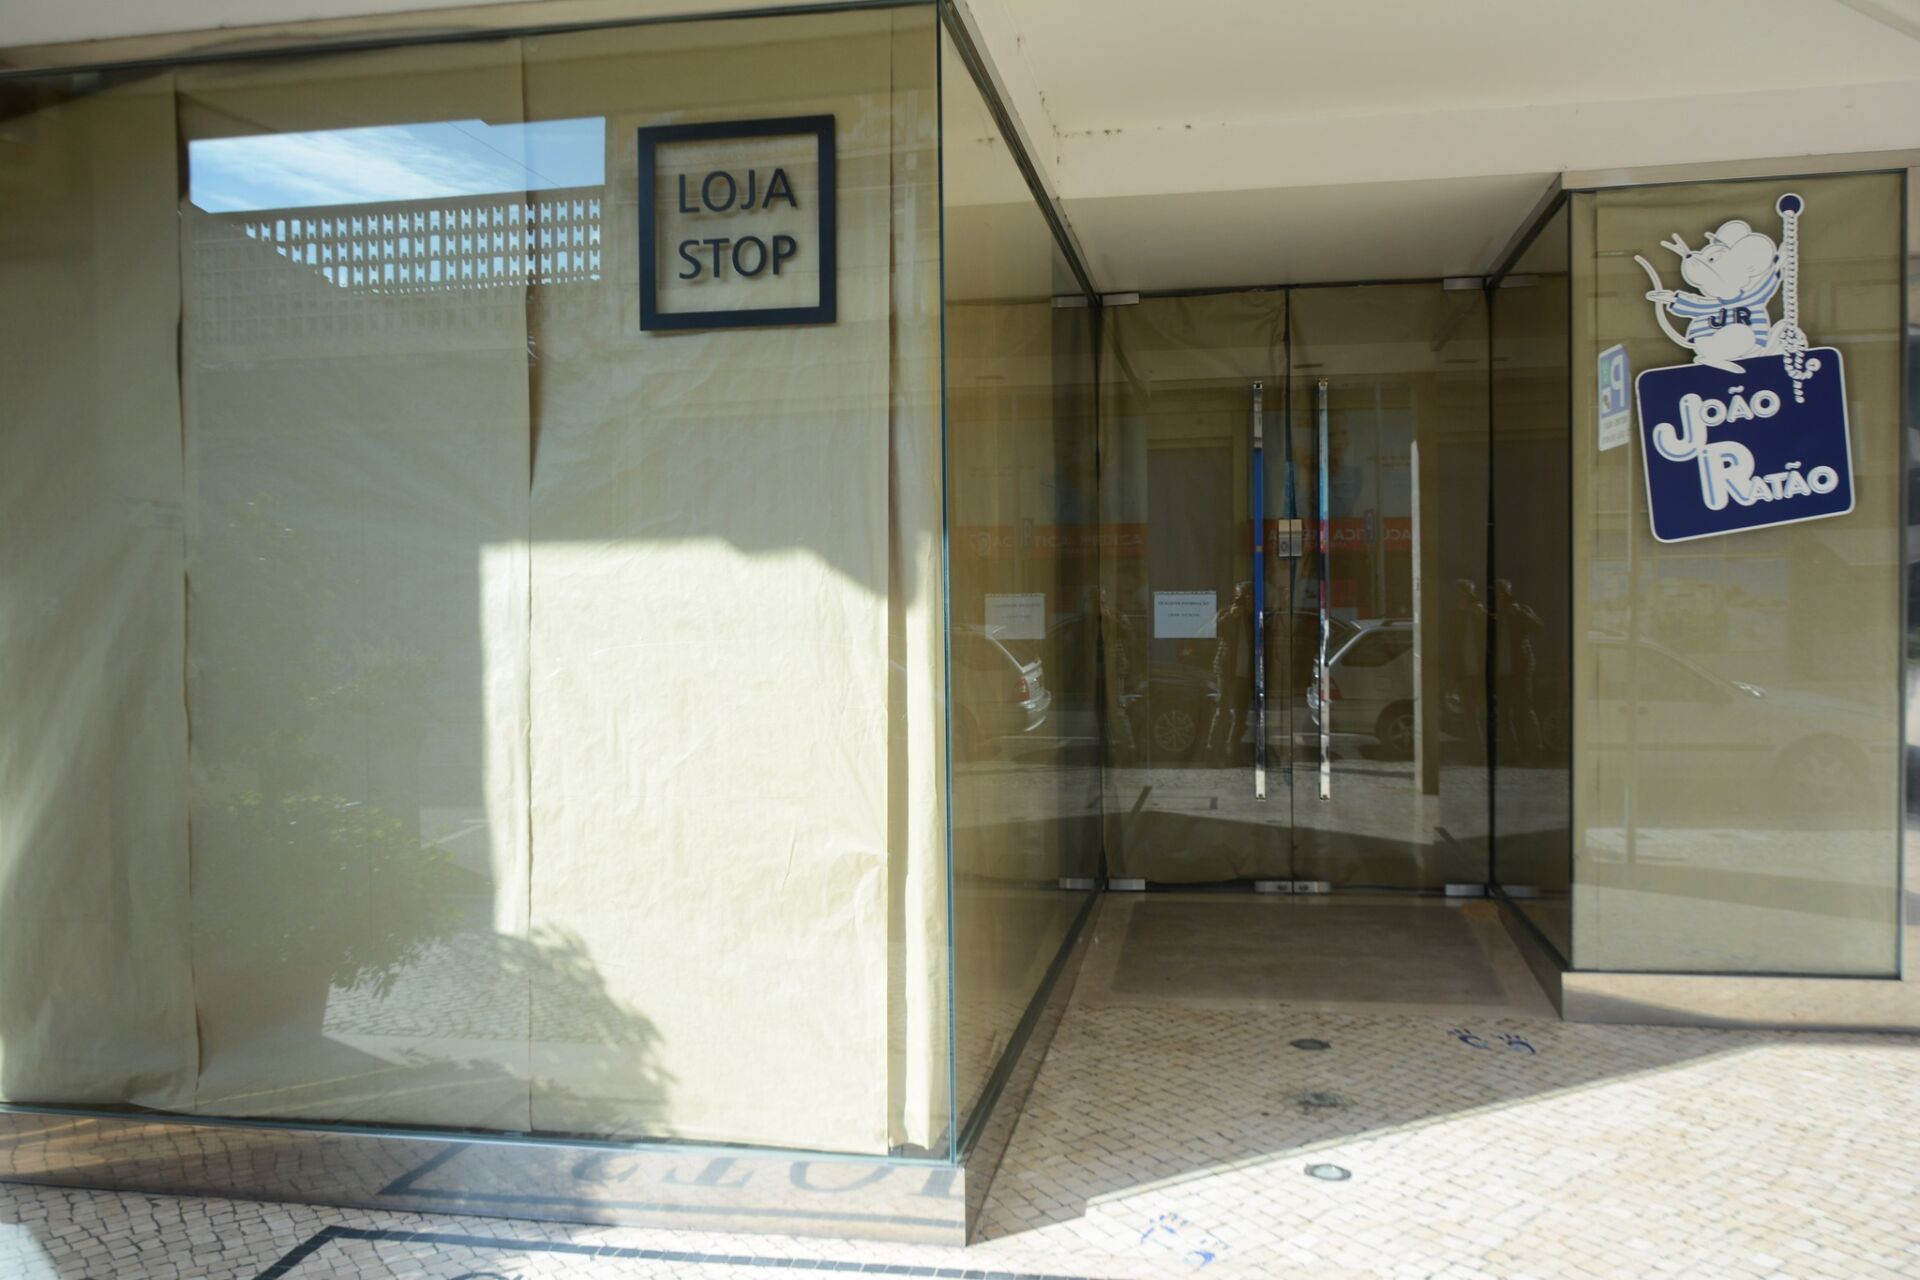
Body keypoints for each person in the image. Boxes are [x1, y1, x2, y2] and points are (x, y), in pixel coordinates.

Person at [1205, 582, 1255, 760]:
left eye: (1248, 596)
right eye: (1241, 596)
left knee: (1240, 714)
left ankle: (1232, 748)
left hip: (1246, 672)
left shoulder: (1255, 616)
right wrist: (1232, 616)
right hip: (1227, 670)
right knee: (1223, 709)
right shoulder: (1227, 613)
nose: (1244, 600)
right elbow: (1212, 630)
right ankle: (1212, 747)